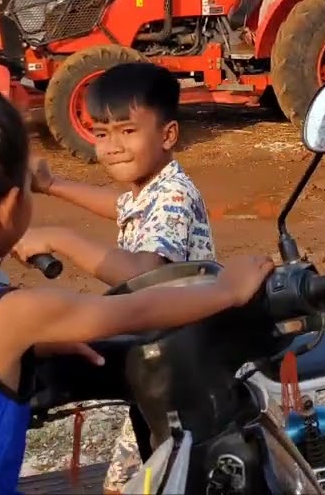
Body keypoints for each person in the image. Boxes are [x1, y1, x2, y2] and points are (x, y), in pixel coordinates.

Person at [0, 84, 272, 495]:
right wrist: (227, 291)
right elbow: (138, 310)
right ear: (9, 206)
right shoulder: (16, 314)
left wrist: (36, 345)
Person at [18, 62, 214, 493]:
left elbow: (146, 271)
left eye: (127, 131)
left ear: (168, 135)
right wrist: (53, 185)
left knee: (152, 479)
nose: (112, 147)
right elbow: (122, 206)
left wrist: (59, 237)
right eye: (102, 133)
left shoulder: (174, 196)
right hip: (157, 353)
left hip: (180, 365)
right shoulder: (154, 187)